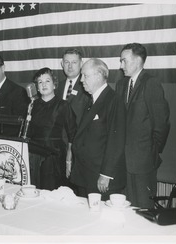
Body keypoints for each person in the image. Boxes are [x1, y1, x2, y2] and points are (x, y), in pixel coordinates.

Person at [115, 43, 170, 208]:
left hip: (144, 162)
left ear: (138, 61)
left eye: (124, 61)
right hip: (122, 162)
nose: (121, 65)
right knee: (124, 208)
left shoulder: (150, 83)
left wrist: (151, 152)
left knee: (143, 210)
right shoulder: (121, 85)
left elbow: (161, 124)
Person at [70, 58, 126, 200]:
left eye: (85, 75)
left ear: (99, 75)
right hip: (86, 175)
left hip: (100, 179)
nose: (81, 80)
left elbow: (116, 140)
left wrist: (106, 175)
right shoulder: (91, 100)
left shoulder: (113, 100)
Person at [28, 67, 77, 190]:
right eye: (40, 82)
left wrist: (68, 161)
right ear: (37, 87)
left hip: (53, 156)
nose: (43, 84)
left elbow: (72, 134)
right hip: (33, 156)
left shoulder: (63, 105)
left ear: (54, 85)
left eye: (47, 81)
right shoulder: (32, 106)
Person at [57, 48, 91, 126]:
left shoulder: (87, 87)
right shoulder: (57, 87)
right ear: (62, 64)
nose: (70, 66)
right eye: (66, 62)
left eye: (74, 62)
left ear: (81, 64)